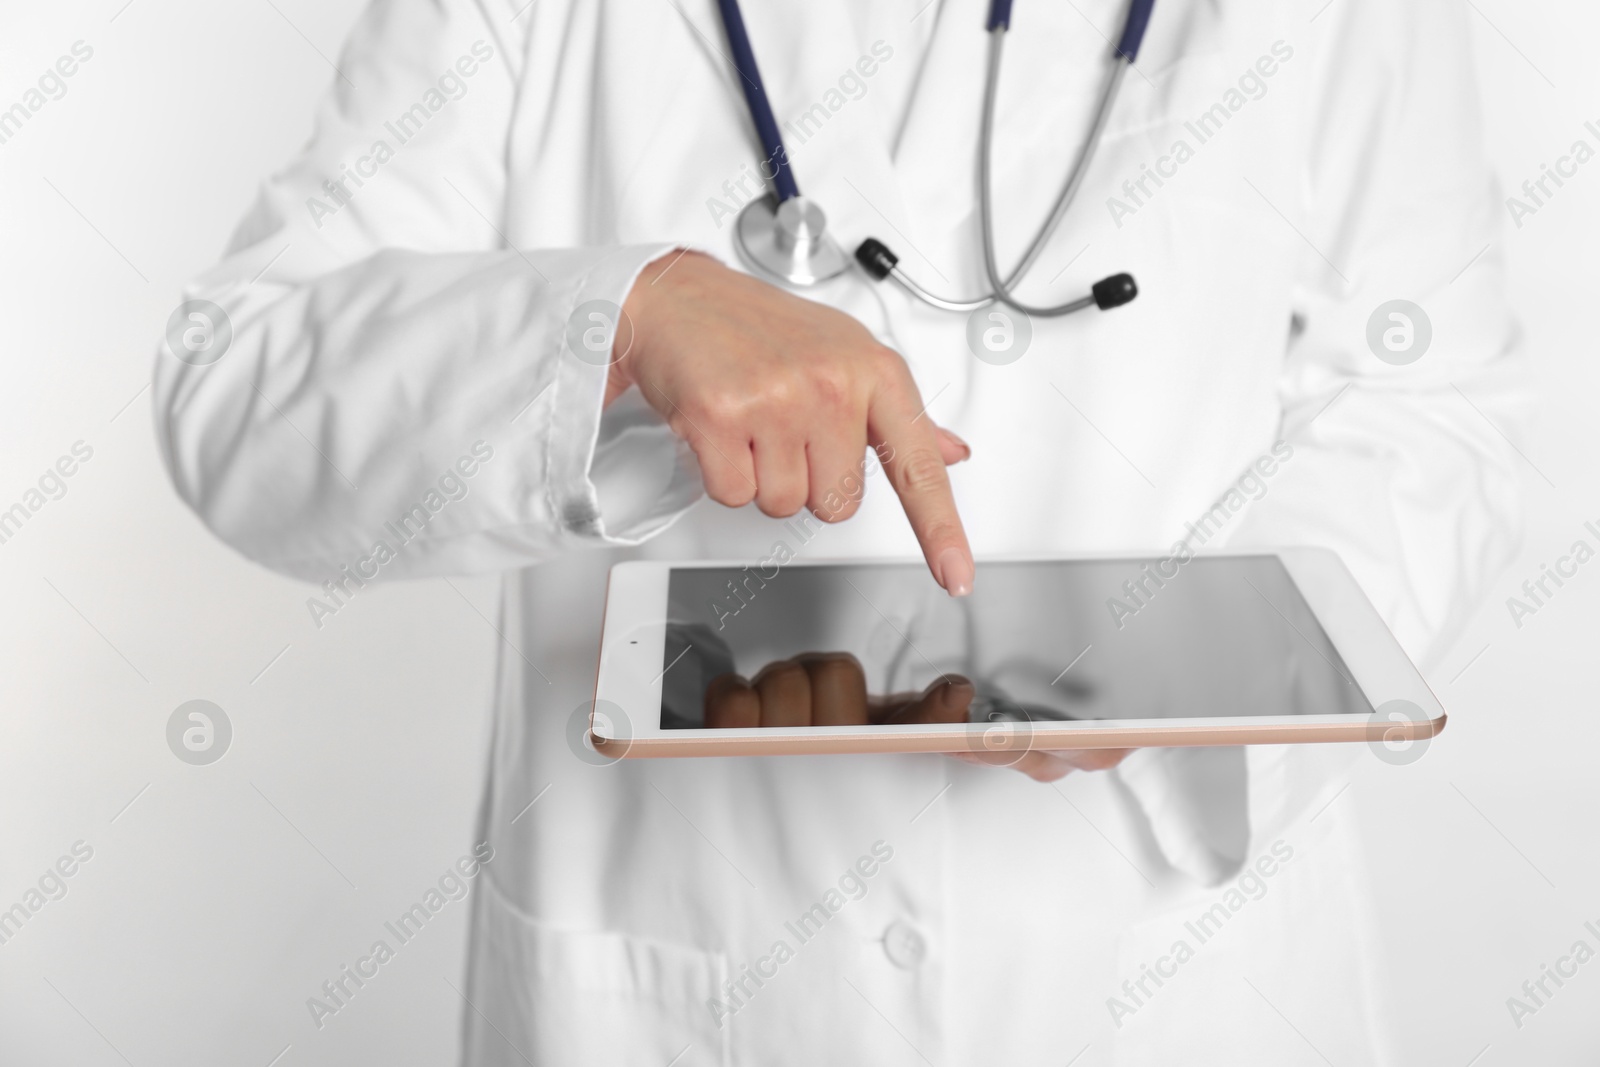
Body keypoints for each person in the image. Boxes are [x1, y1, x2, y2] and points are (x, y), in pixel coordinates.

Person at [153, 0, 1526, 1061]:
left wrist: (1186, 677)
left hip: (1163, 972)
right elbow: (240, 387)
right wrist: (618, 320)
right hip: (678, 969)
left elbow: (1434, 407)